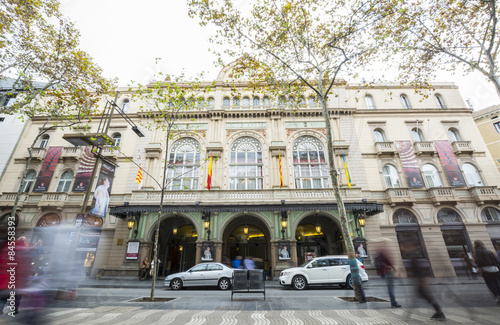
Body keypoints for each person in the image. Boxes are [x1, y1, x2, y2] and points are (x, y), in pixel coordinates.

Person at [404, 240, 445, 320]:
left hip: (420, 280)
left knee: (426, 297)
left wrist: (423, 279)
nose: (405, 247)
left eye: (407, 246)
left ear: (412, 246)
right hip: (420, 280)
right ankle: (439, 312)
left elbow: (419, 268)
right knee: (425, 297)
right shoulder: (413, 254)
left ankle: (440, 313)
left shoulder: (414, 254)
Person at [472, 240, 500, 304]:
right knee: (496, 282)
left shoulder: (477, 252)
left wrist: (473, 260)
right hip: (495, 268)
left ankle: (497, 295)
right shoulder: (489, 251)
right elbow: (496, 260)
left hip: (486, 269)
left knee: (490, 283)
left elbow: (478, 262)